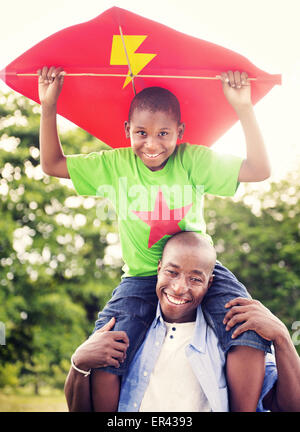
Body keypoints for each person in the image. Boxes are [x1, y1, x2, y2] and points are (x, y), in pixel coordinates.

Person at [38, 66, 272, 411]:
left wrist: (243, 108)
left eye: (164, 133)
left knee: (248, 329)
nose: (152, 143)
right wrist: (48, 104)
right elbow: (52, 164)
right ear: (127, 131)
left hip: (197, 271)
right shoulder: (115, 165)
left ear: (180, 132)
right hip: (141, 276)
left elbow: (259, 170)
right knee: (108, 347)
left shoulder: (192, 159)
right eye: (141, 133)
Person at [64, 232, 300, 412]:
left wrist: (282, 338)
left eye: (195, 278)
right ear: (158, 269)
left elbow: (291, 405)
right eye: (172, 272)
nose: (179, 288)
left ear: (210, 283)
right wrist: (79, 363)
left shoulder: (228, 341)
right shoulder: (126, 332)